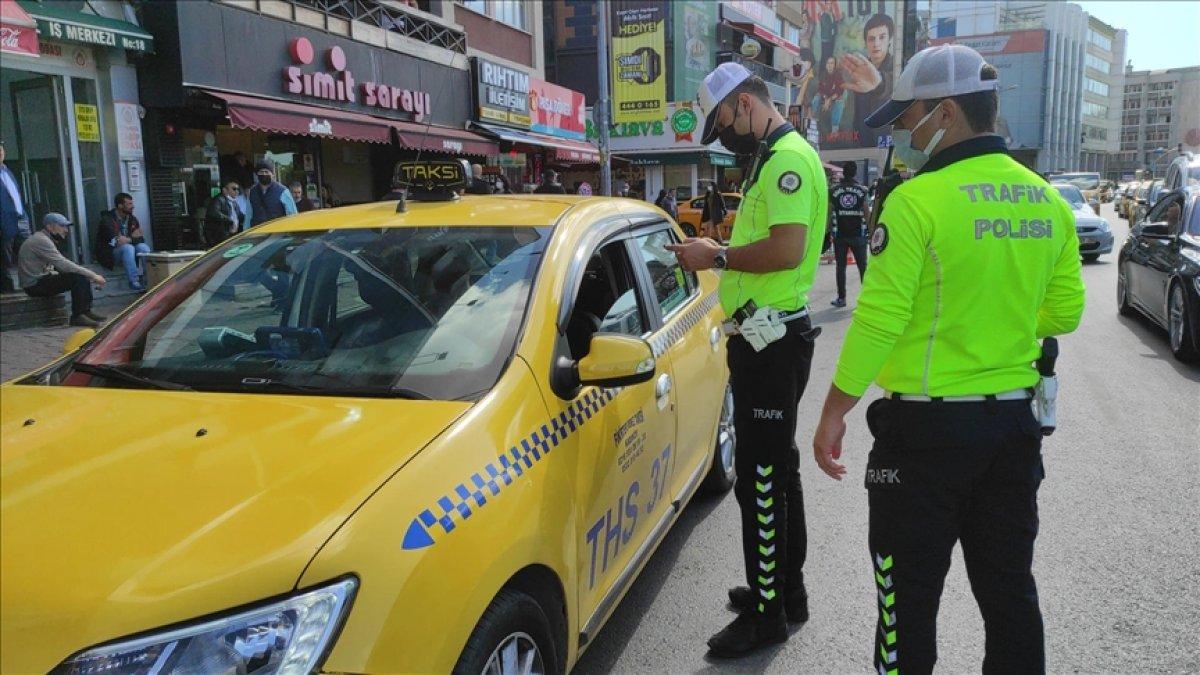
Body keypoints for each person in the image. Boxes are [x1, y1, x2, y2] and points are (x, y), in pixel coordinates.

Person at [811, 45, 1085, 675]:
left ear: (945, 113)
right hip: (1013, 435)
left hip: (925, 441)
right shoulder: (1046, 201)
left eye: (908, 120)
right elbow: (1064, 314)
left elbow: (879, 321)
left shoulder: (915, 202)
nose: (903, 135)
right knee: (1010, 597)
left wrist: (834, 412)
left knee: (906, 607)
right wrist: (999, 318)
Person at [666, 62, 828, 658]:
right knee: (778, 472)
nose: (725, 134)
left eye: (723, 121)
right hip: (770, 336)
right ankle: (786, 592)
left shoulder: (785, 158)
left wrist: (718, 256)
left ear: (742, 102)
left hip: (772, 342)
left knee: (759, 481)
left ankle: (766, 617)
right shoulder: (780, 154)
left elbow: (787, 250)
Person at [18, 213, 107, 327]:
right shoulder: (41, 240)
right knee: (77, 277)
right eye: (62, 226)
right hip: (34, 285)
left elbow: (58, 266)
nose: (66, 230)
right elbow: (63, 264)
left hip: (40, 279)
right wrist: (93, 275)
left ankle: (85, 311)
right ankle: (78, 316)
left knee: (79, 276)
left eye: (66, 227)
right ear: (50, 227)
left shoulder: (44, 238)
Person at [843, 13, 895, 149]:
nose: (876, 44)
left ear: (890, 39)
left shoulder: (899, 68)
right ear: (866, 43)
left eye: (882, 37)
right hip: (861, 148)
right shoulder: (858, 71)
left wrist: (879, 84)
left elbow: (888, 84)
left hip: (889, 148)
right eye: (871, 39)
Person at [828, 160, 870, 307]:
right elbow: (866, 211)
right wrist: (870, 229)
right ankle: (867, 299)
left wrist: (828, 231)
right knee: (863, 266)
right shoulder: (863, 190)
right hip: (858, 234)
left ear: (843, 173)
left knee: (841, 267)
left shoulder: (833, 190)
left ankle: (841, 298)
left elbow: (830, 211)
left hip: (840, 234)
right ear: (855, 172)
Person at [96, 192, 150, 291]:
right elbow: (117, 242)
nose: (132, 206)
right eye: (129, 204)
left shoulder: (132, 219)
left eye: (132, 204)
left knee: (143, 247)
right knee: (127, 248)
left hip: (128, 250)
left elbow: (141, 238)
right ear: (120, 205)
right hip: (110, 253)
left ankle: (150, 279)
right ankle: (133, 281)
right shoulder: (107, 219)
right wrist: (132, 238)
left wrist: (128, 239)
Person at [1, 141, 31, 292]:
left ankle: (30, 282)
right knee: (5, 255)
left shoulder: (7, 171)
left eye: (1, 149)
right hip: (5, 221)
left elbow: (15, 196)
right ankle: (7, 288)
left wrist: (24, 214)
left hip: (20, 218)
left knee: (28, 251)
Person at [247, 159, 298, 228]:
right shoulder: (252, 192)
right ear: (257, 174)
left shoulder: (283, 191)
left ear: (272, 174)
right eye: (261, 172)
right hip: (257, 234)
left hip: (278, 234)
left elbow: (292, 215)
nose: (264, 174)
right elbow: (248, 216)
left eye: (266, 172)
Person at [813, 55, 846, 137]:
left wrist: (829, 100)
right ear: (825, 64)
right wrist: (825, 99)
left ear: (834, 65)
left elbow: (840, 91)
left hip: (835, 98)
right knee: (816, 98)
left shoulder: (838, 75)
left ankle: (834, 130)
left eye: (832, 63)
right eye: (828, 63)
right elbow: (821, 90)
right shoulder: (823, 75)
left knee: (840, 101)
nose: (829, 65)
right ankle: (813, 124)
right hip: (825, 98)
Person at [205, 181, 244, 246]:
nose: (237, 191)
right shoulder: (218, 199)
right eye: (234, 189)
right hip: (220, 235)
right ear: (225, 190)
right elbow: (214, 213)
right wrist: (230, 220)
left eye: (238, 189)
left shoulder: (234, 202)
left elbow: (240, 215)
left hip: (232, 234)